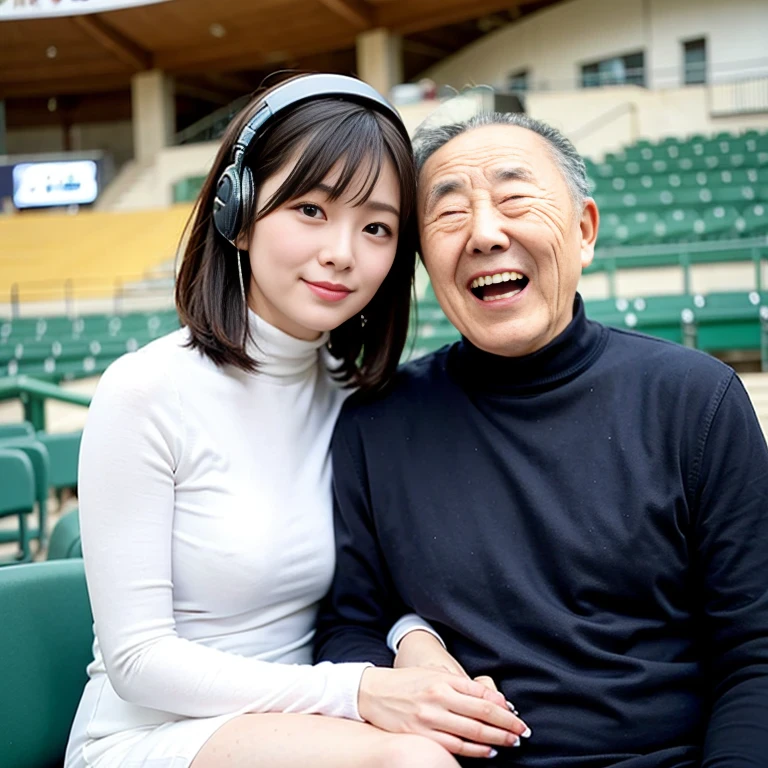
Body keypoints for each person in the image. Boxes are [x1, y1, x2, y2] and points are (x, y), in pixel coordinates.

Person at [64, 75, 528, 768]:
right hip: (151, 731)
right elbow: (138, 660)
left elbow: (366, 590)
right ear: (239, 212)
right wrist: (362, 691)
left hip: (310, 719)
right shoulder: (145, 391)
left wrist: (412, 642)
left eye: (375, 227)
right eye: (311, 209)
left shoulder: (357, 398)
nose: (343, 251)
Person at [315, 111, 768, 767]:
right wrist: (402, 658)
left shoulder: (697, 398)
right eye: (448, 215)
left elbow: (754, 652)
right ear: (424, 261)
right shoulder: (374, 423)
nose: (485, 234)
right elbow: (348, 626)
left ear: (584, 231)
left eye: (515, 198)